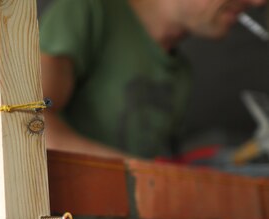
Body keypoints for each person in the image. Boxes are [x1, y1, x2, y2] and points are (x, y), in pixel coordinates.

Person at [40, 0, 267, 159]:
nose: (258, 2)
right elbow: (34, 123)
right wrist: (147, 176)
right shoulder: (88, 11)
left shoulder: (181, 73)